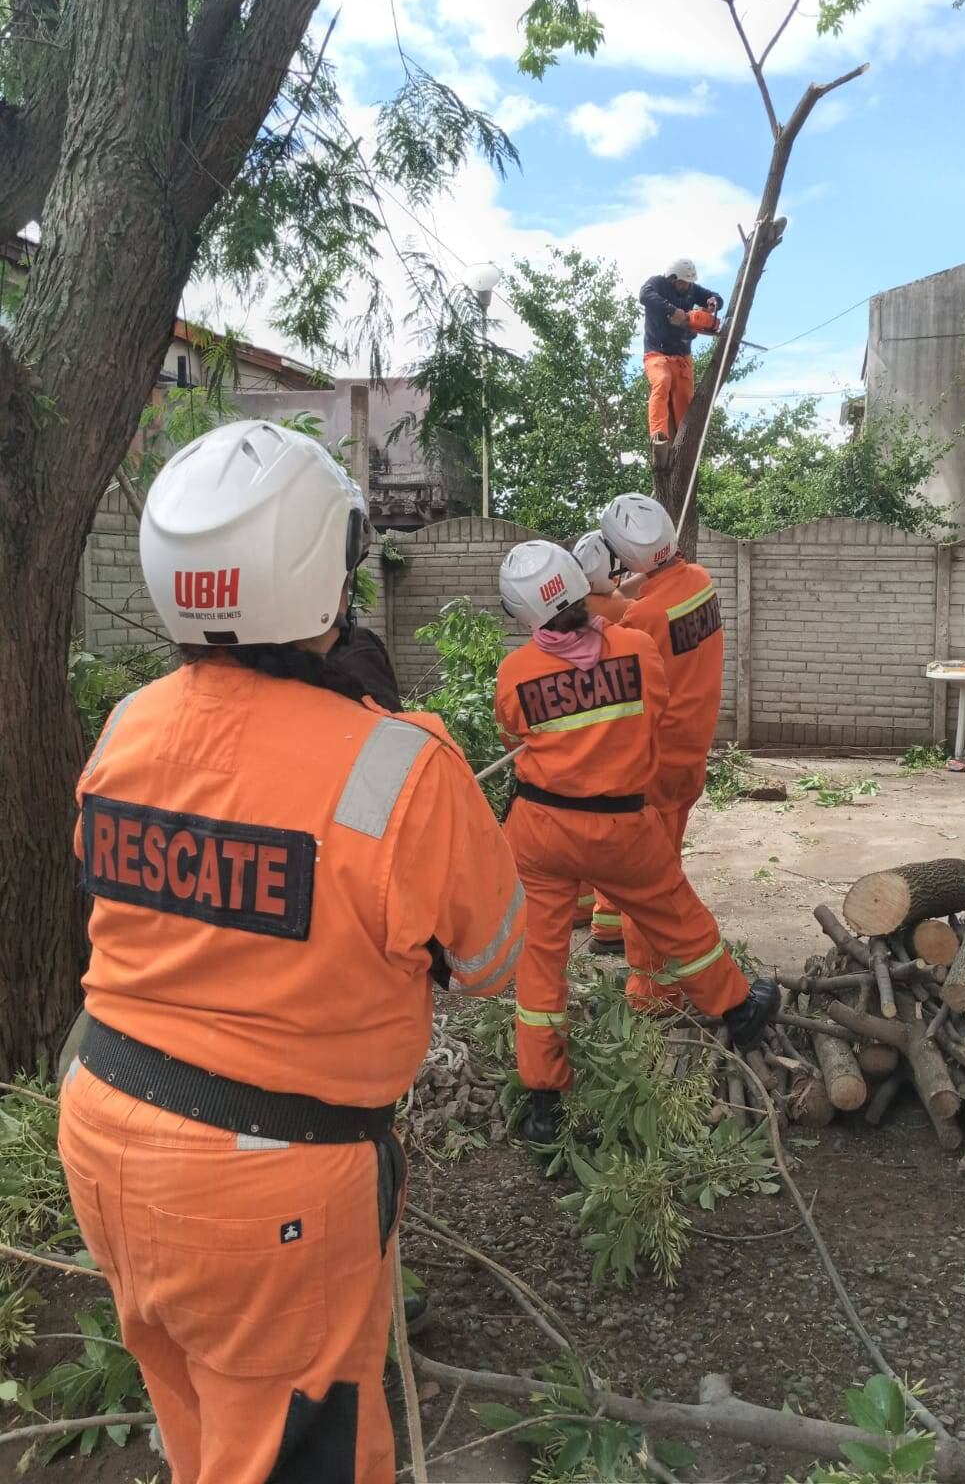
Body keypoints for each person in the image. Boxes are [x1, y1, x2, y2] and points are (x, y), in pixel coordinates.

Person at [58, 420, 524, 1484]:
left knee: (201, 1430)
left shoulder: (125, 726)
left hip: (104, 1132)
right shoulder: (402, 768)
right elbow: (496, 957)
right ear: (328, 571)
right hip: (267, 1197)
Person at [494, 540, 778, 1144]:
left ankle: (544, 1094)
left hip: (540, 831)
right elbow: (657, 710)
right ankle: (738, 1009)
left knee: (540, 956)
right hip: (621, 826)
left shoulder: (516, 673)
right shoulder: (639, 649)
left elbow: (514, 731)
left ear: (523, 614)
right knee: (673, 914)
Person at [587, 496, 723, 997]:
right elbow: (648, 594)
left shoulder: (642, 620)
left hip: (654, 761)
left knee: (649, 874)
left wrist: (589, 593)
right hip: (692, 750)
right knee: (642, 849)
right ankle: (603, 918)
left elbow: (604, 631)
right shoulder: (701, 584)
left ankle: (652, 984)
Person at [639, 259, 723, 450]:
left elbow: (715, 297)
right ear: (672, 278)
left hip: (682, 358)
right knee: (662, 381)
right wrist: (672, 310)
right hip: (657, 354)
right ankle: (659, 435)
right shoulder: (657, 284)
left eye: (688, 283)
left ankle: (685, 445)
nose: (686, 286)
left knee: (684, 400)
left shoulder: (692, 289)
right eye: (683, 282)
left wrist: (714, 302)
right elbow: (644, 295)